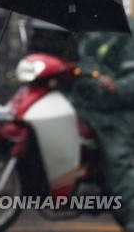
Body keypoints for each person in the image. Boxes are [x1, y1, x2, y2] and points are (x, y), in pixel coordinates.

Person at [69, 16, 134, 232]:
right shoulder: (88, 35)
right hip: (84, 109)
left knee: (117, 165)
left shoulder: (127, 32)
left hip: (115, 115)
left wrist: (117, 86)